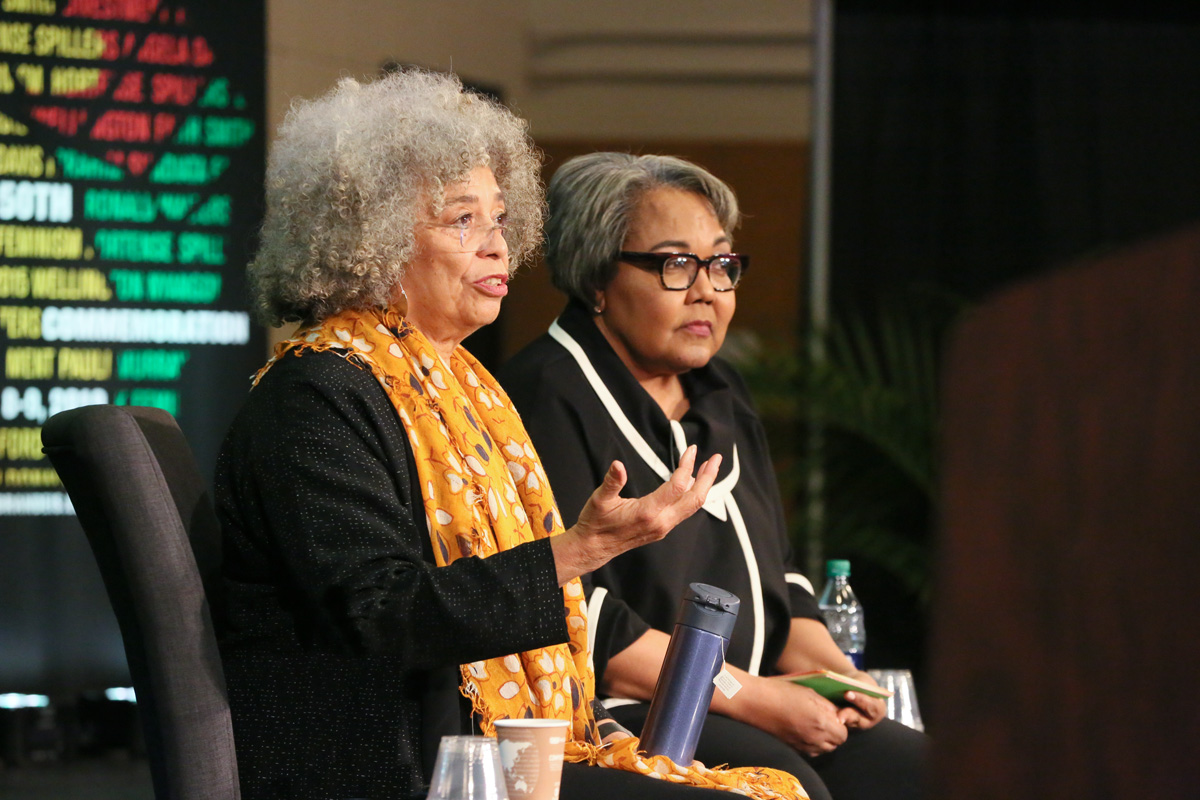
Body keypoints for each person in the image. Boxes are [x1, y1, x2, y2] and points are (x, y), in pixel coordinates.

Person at [215, 72, 810, 800]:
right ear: (368, 237)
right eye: (462, 221)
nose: (499, 247)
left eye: (500, 219)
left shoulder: (467, 388)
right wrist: (583, 548)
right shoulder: (317, 398)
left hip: (478, 748)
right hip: (389, 765)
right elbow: (382, 617)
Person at [498, 153, 929, 800]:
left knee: (931, 773)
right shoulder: (546, 393)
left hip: (759, 697)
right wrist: (752, 696)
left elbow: (775, 573)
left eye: (723, 265)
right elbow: (572, 610)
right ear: (597, 278)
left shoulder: (720, 387)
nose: (708, 290)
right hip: (630, 712)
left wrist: (839, 677)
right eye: (676, 265)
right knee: (789, 788)